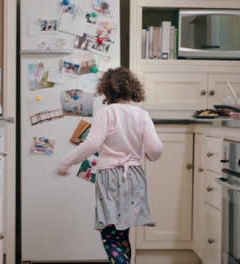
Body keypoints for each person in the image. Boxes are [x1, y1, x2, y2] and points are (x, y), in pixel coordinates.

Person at [57, 67, 163, 264]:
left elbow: (92, 144)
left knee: (109, 234)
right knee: (122, 232)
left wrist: (67, 162)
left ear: (106, 90)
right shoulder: (142, 114)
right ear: (134, 89)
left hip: (111, 178)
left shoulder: (106, 112)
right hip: (134, 177)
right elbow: (155, 148)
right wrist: (150, 155)